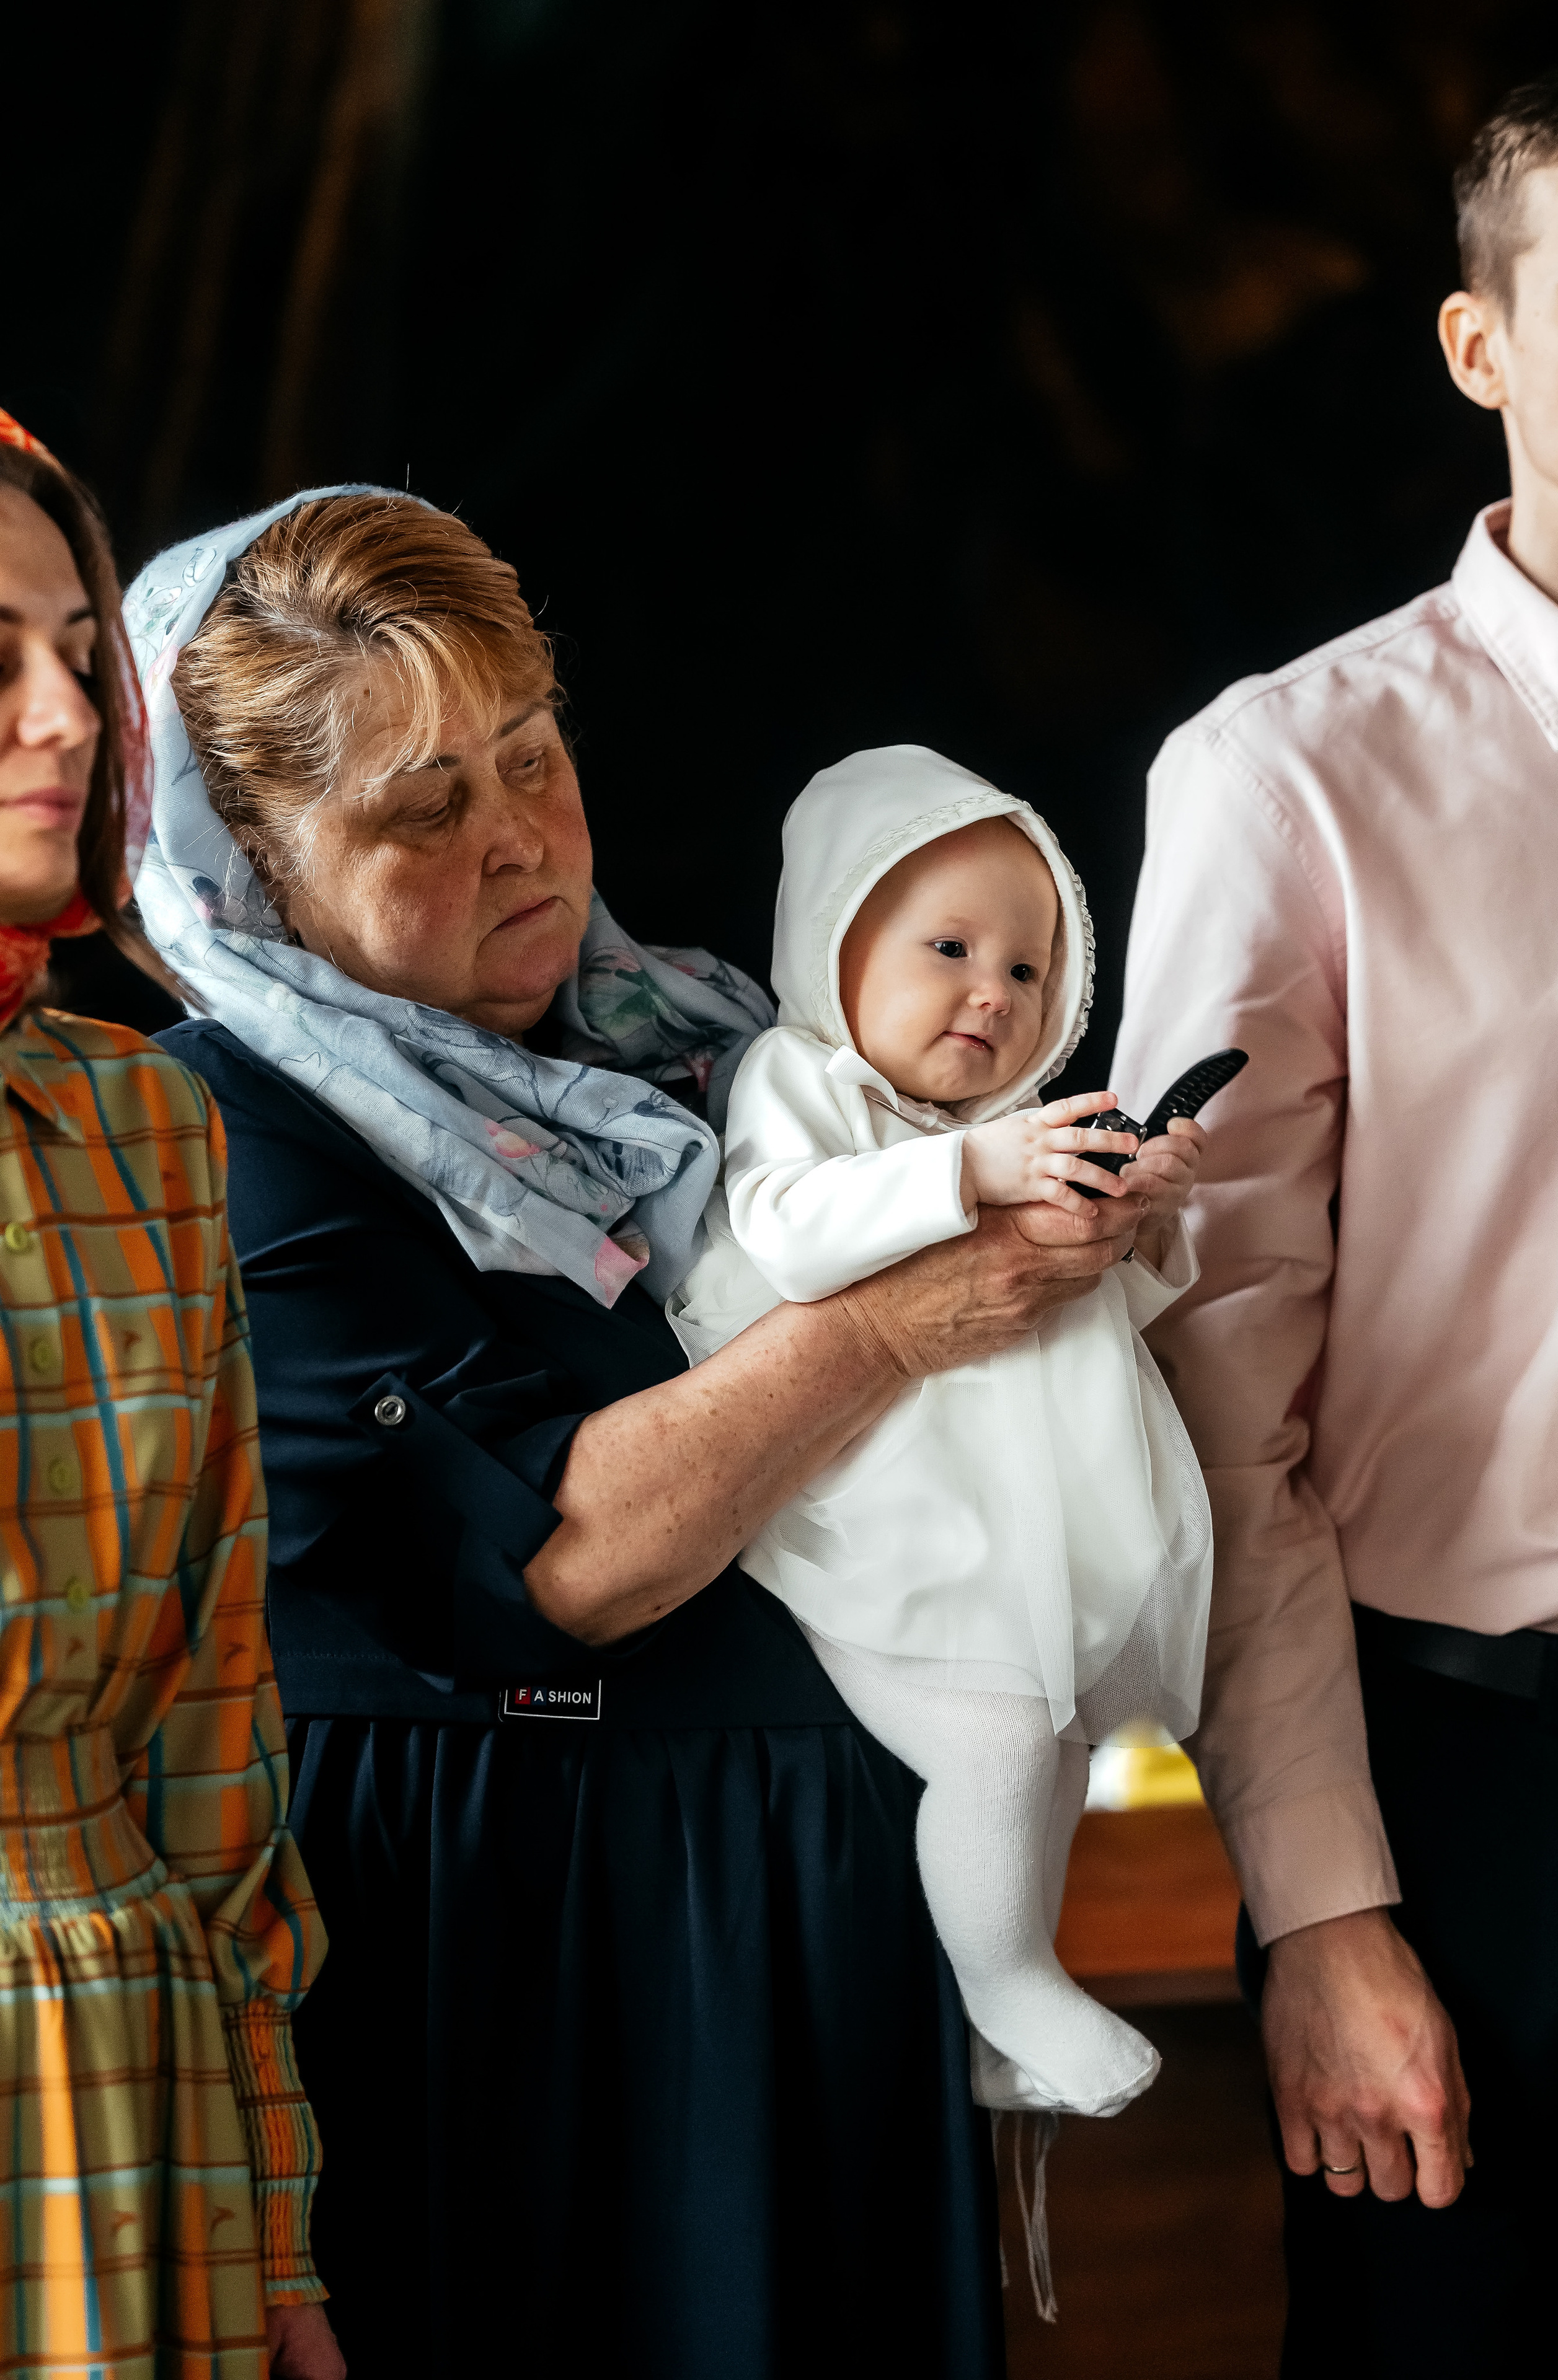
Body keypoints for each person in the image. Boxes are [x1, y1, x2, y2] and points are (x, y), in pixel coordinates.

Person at [122, 486, 1146, 2378]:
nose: (517, 839)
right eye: (423, 807)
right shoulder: (223, 1140)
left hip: (793, 1918)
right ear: (250, 859)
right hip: (518, 1947)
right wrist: (900, 1321)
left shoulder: (690, 1048)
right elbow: (557, 1563)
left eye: (531, 758)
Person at [1111, 61, 1558, 2378]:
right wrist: (1323, 1910)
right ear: (1479, 344)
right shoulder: (1281, 777)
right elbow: (1221, 1421)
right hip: (1499, 1814)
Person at [671, 743, 1213, 2118]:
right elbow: (785, 1235)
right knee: (991, 1748)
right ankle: (1009, 1979)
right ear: (833, 941)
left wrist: (1136, 1213)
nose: (991, 991)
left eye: (1027, 970)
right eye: (949, 947)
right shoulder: (802, 1082)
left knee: (1052, 1743)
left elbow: (1119, 1304)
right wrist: (968, 1169)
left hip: (997, 1523)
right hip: (865, 1517)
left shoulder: (1008, 1123)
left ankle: (1001, 2018)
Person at [0, 410, 340, 2378]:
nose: (62, 712)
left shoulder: (145, 1120)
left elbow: (217, 1721)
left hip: (145, 2084)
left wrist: (278, 2228)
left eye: (75, 649)